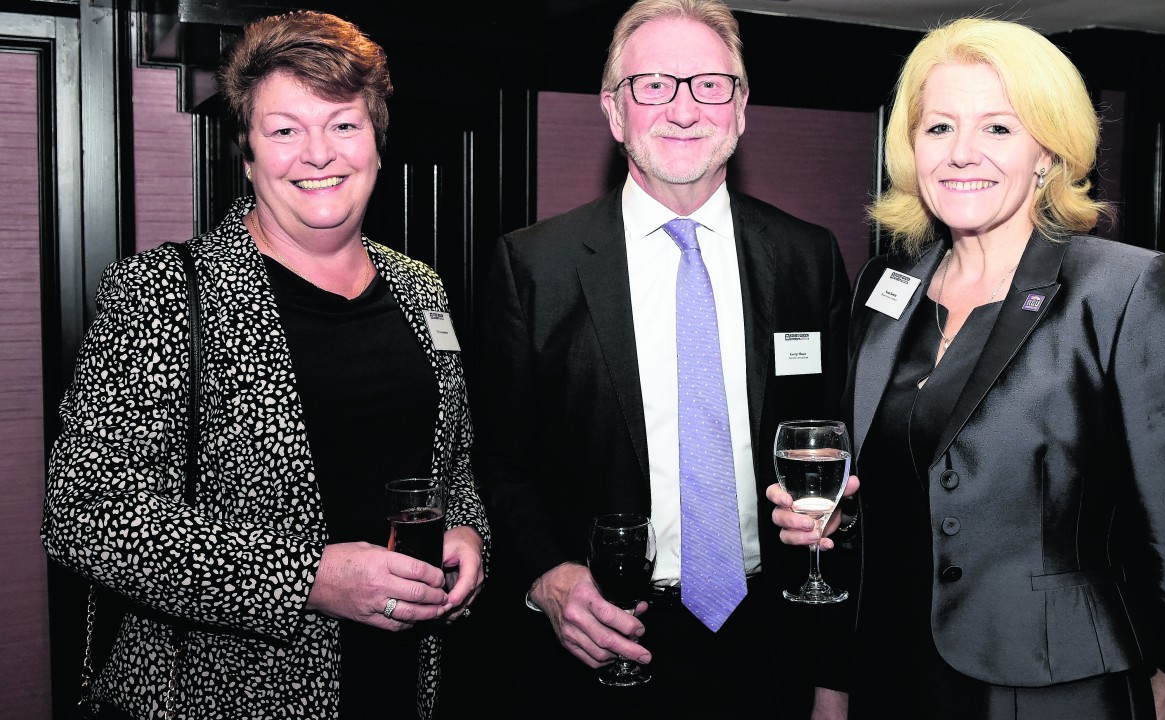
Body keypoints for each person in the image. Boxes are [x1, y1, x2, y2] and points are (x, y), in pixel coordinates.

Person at [767, 16, 1165, 720]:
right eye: (938, 129)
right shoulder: (884, 286)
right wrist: (830, 529)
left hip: (1055, 682)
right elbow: (880, 485)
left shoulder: (1125, 287)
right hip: (891, 670)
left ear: (1046, 151)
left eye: (997, 128)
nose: (962, 154)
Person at [41, 11, 487, 719]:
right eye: (285, 131)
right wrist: (308, 578)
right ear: (247, 155)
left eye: (343, 124)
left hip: (402, 682)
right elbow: (85, 516)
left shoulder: (418, 288)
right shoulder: (163, 292)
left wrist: (466, 530)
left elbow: (451, 463)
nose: (318, 154)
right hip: (224, 693)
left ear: (376, 143)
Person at [472, 0, 851, 716]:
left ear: (740, 110)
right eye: (653, 85)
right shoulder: (533, 266)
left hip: (769, 636)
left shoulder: (810, 259)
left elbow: (836, 452)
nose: (684, 108)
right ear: (615, 113)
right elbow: (498, 460)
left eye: (710, 84)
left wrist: (833, 675)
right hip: (603, 638)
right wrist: (547, 573)